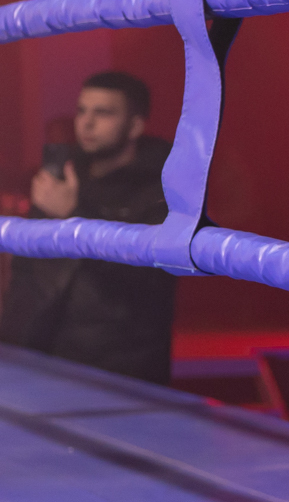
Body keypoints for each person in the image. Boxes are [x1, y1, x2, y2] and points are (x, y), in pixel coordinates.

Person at [0, 72, 175, 385]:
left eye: (103, 113)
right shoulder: (65, 176)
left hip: (117, 367)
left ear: (135, 125)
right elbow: (28, 269)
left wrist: (74, 216)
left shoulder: (162, 190)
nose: (87, 123)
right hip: (43, 355)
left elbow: (147, 279)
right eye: (82, 110)